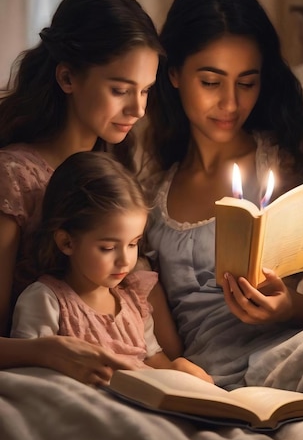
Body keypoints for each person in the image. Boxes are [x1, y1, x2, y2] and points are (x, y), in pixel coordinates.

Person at [141, 0, 303, 411]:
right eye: (212, 82)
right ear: (175, 74)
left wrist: (290, 307)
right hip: (206, 378)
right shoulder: (149, 188)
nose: (231, 104)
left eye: (247, 82)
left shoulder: (289, 163)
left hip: (293, 353)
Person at [0, 0, 162, 382]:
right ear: (68, 77)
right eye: (120, 90)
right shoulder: (14, 179)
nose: (138, 109)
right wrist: (47, 350)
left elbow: (153, 338)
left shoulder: (115, 177)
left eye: (145, 91)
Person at [11, 152, 212, 383]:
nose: (125, 260)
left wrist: (181, 372)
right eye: (107, 248)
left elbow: (155, 363)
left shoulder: (134, 303)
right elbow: (29, 376)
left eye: (133, 244)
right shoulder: (46, 300)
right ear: (67, 242)